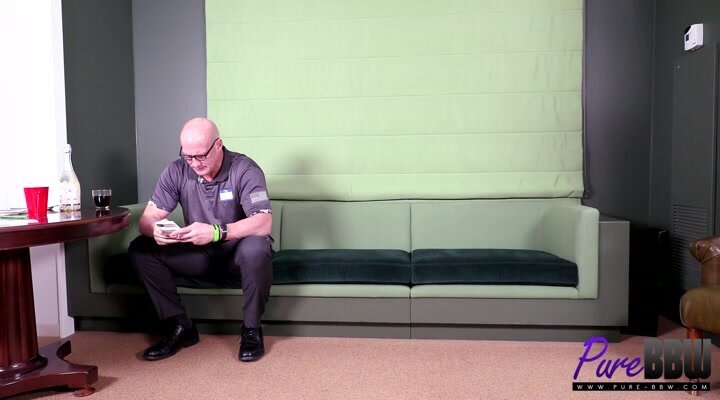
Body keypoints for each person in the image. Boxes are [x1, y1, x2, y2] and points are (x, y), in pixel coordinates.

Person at [128, 117, 273, 362]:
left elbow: (263, 222)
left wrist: (216, 232)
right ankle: (181, 326)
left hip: (236, 254)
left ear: (218, 145)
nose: (195, 163)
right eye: (188, 157)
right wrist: (156, 231)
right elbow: (146, 219)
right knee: (140, 248)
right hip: (198, 254)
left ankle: (251, 330)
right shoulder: (176, 170)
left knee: (257, 247)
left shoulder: (245, 169)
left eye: (201, 156)